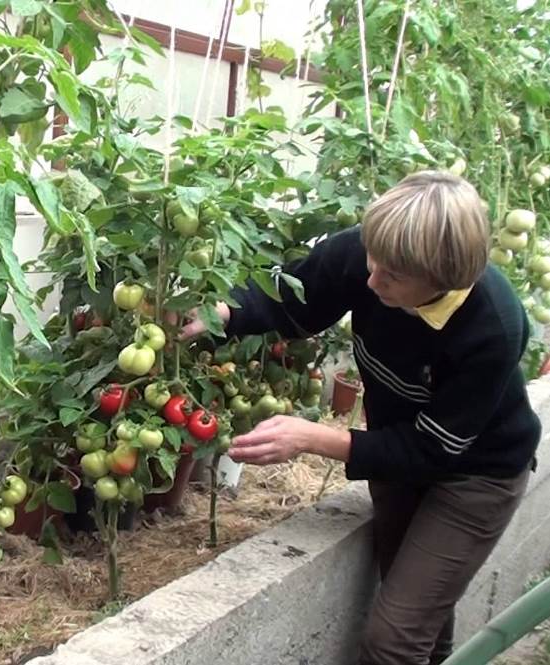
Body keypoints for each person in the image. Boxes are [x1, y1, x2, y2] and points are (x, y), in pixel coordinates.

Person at [179, 170, 541, 665]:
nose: (371, 280)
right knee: (417, 618)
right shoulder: (372, 254)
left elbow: (432, 450)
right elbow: (297, 300)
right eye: (373, 259)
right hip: (396, 454)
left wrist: (312, 437)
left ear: (443, 277)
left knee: (393, 641)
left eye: (393, 276)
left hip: (475, 476)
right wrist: (222, 312)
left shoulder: (489, 328)